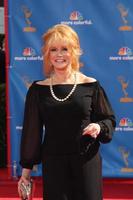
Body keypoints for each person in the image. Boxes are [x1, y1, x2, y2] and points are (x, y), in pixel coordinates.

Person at [18, 24, 116, 200]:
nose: (59, 54)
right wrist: (25, 174)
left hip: (86, 161)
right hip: (54, 163)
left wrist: (99, 127)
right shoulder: (38, 90)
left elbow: (108, 119)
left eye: (65, 49)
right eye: (53, 49)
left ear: (75, 51)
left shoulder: (90, 85)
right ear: (47, 54)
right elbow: (32, 132)